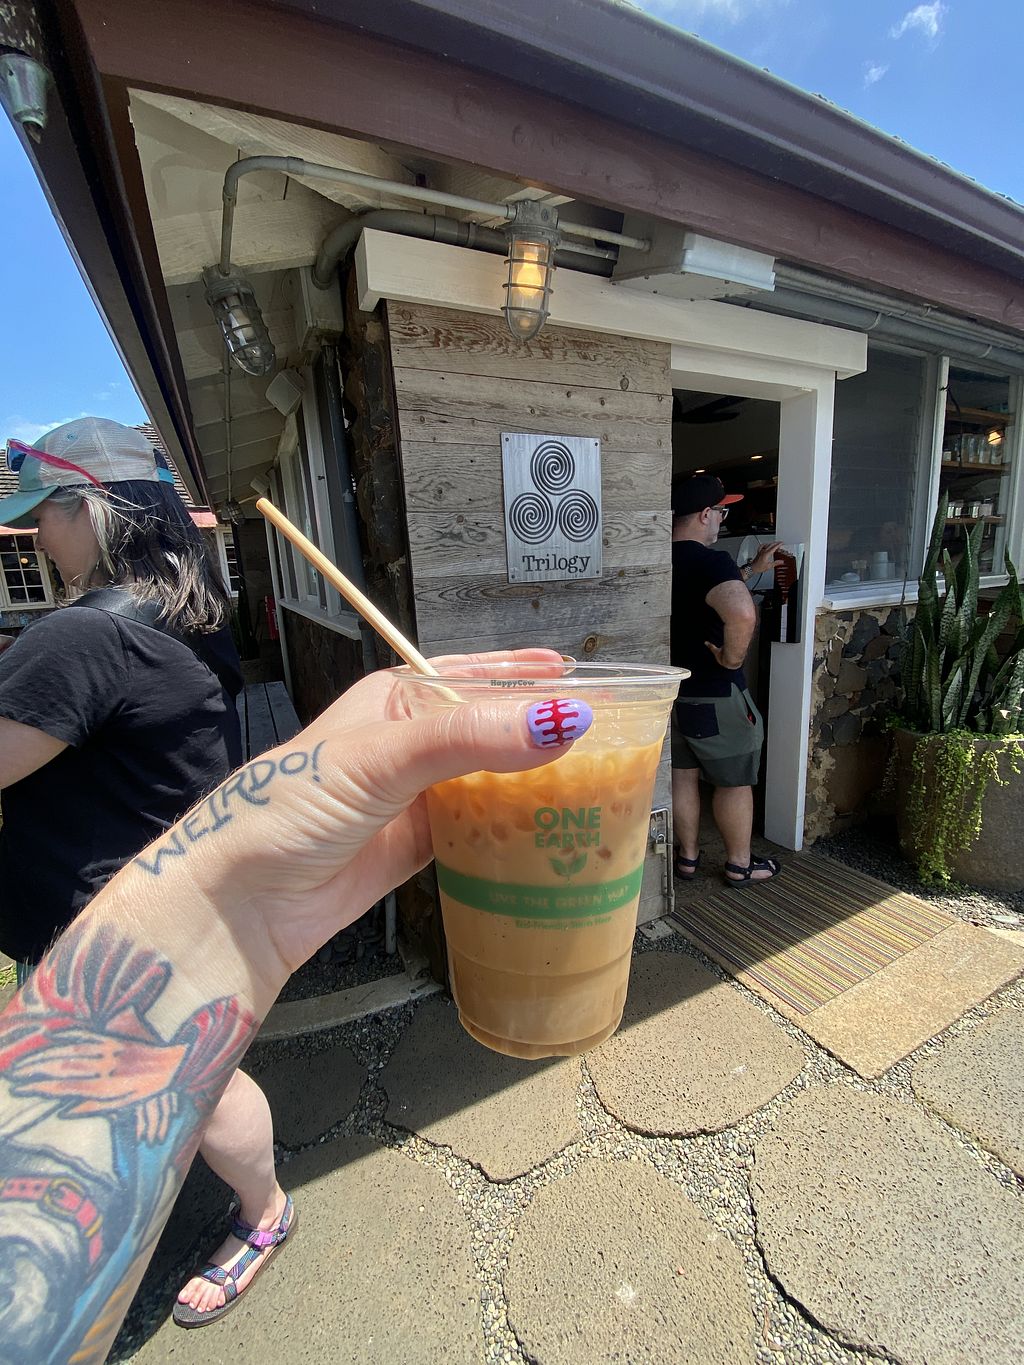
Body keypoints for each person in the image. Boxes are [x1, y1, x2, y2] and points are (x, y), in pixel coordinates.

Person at [0, 647, 587, 1364]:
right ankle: (265, 1212)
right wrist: (237, 901)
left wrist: (238, 902)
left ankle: (265, 1210)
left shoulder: (78, 643)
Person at [0, 417, 283, 1328]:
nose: (35, 537)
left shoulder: (80, 639)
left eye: (43, 513)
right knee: (192, 1077)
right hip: (177, 896)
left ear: (91, 509)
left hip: (103, 930)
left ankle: (263, 1213)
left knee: (192, 1088)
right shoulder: (191, 611)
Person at [669, 473, 784, 885]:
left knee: (682, 775)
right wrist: (732, 660)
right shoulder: (712, 562)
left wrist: (751, 570)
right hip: (715, 693)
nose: (722, 518)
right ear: (705, 514)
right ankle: (739, 865)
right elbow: (741, 613)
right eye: (721, 511)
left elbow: (702, 593)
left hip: (672, 693)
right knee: (733, 782)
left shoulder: (661, 560)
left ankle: (687, 858)